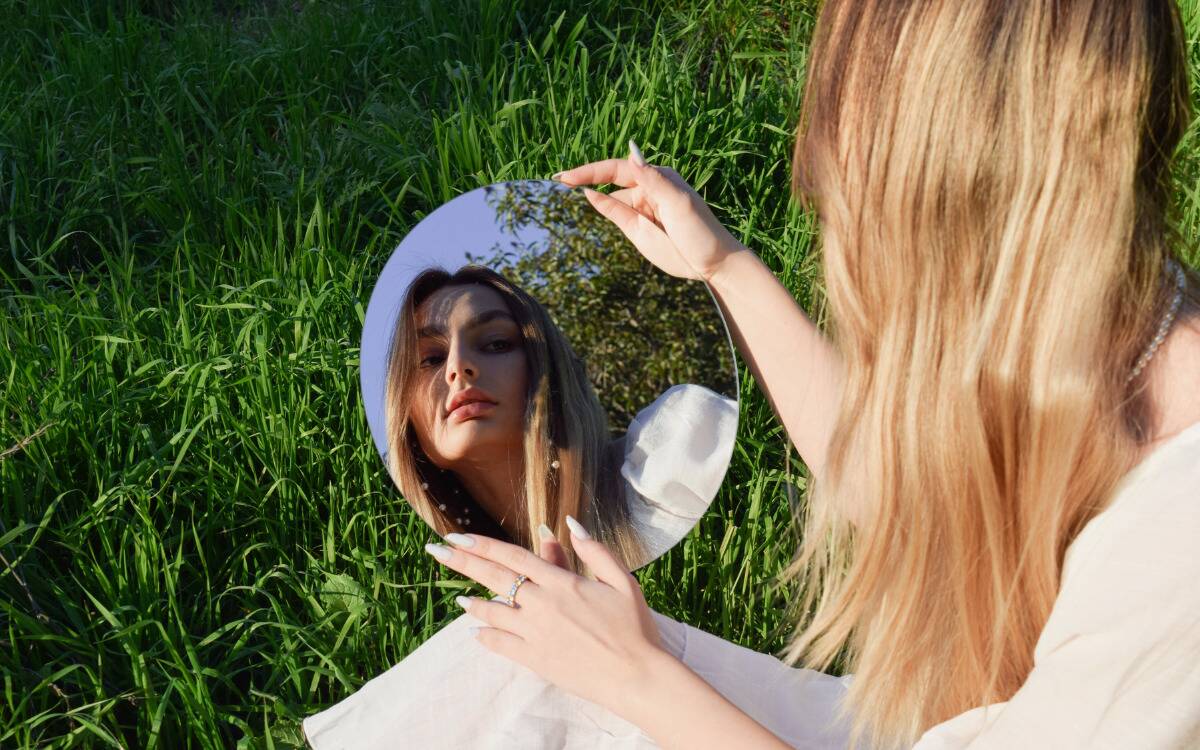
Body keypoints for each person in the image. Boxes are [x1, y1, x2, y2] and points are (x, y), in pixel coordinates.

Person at [414, 2, 1200, 749]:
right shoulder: (1116, 323)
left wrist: (634, 676)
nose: (818, 170)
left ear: (956, 188)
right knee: (511, 666)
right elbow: (907, 488)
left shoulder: (1179, 542)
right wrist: (723, 267)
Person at [382, 263, 737, 574]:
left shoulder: (674, 456)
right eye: (430, 359)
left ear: (545, 368)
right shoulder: (423, 572)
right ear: (404, 411)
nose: (458, 367)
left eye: (495, 343)